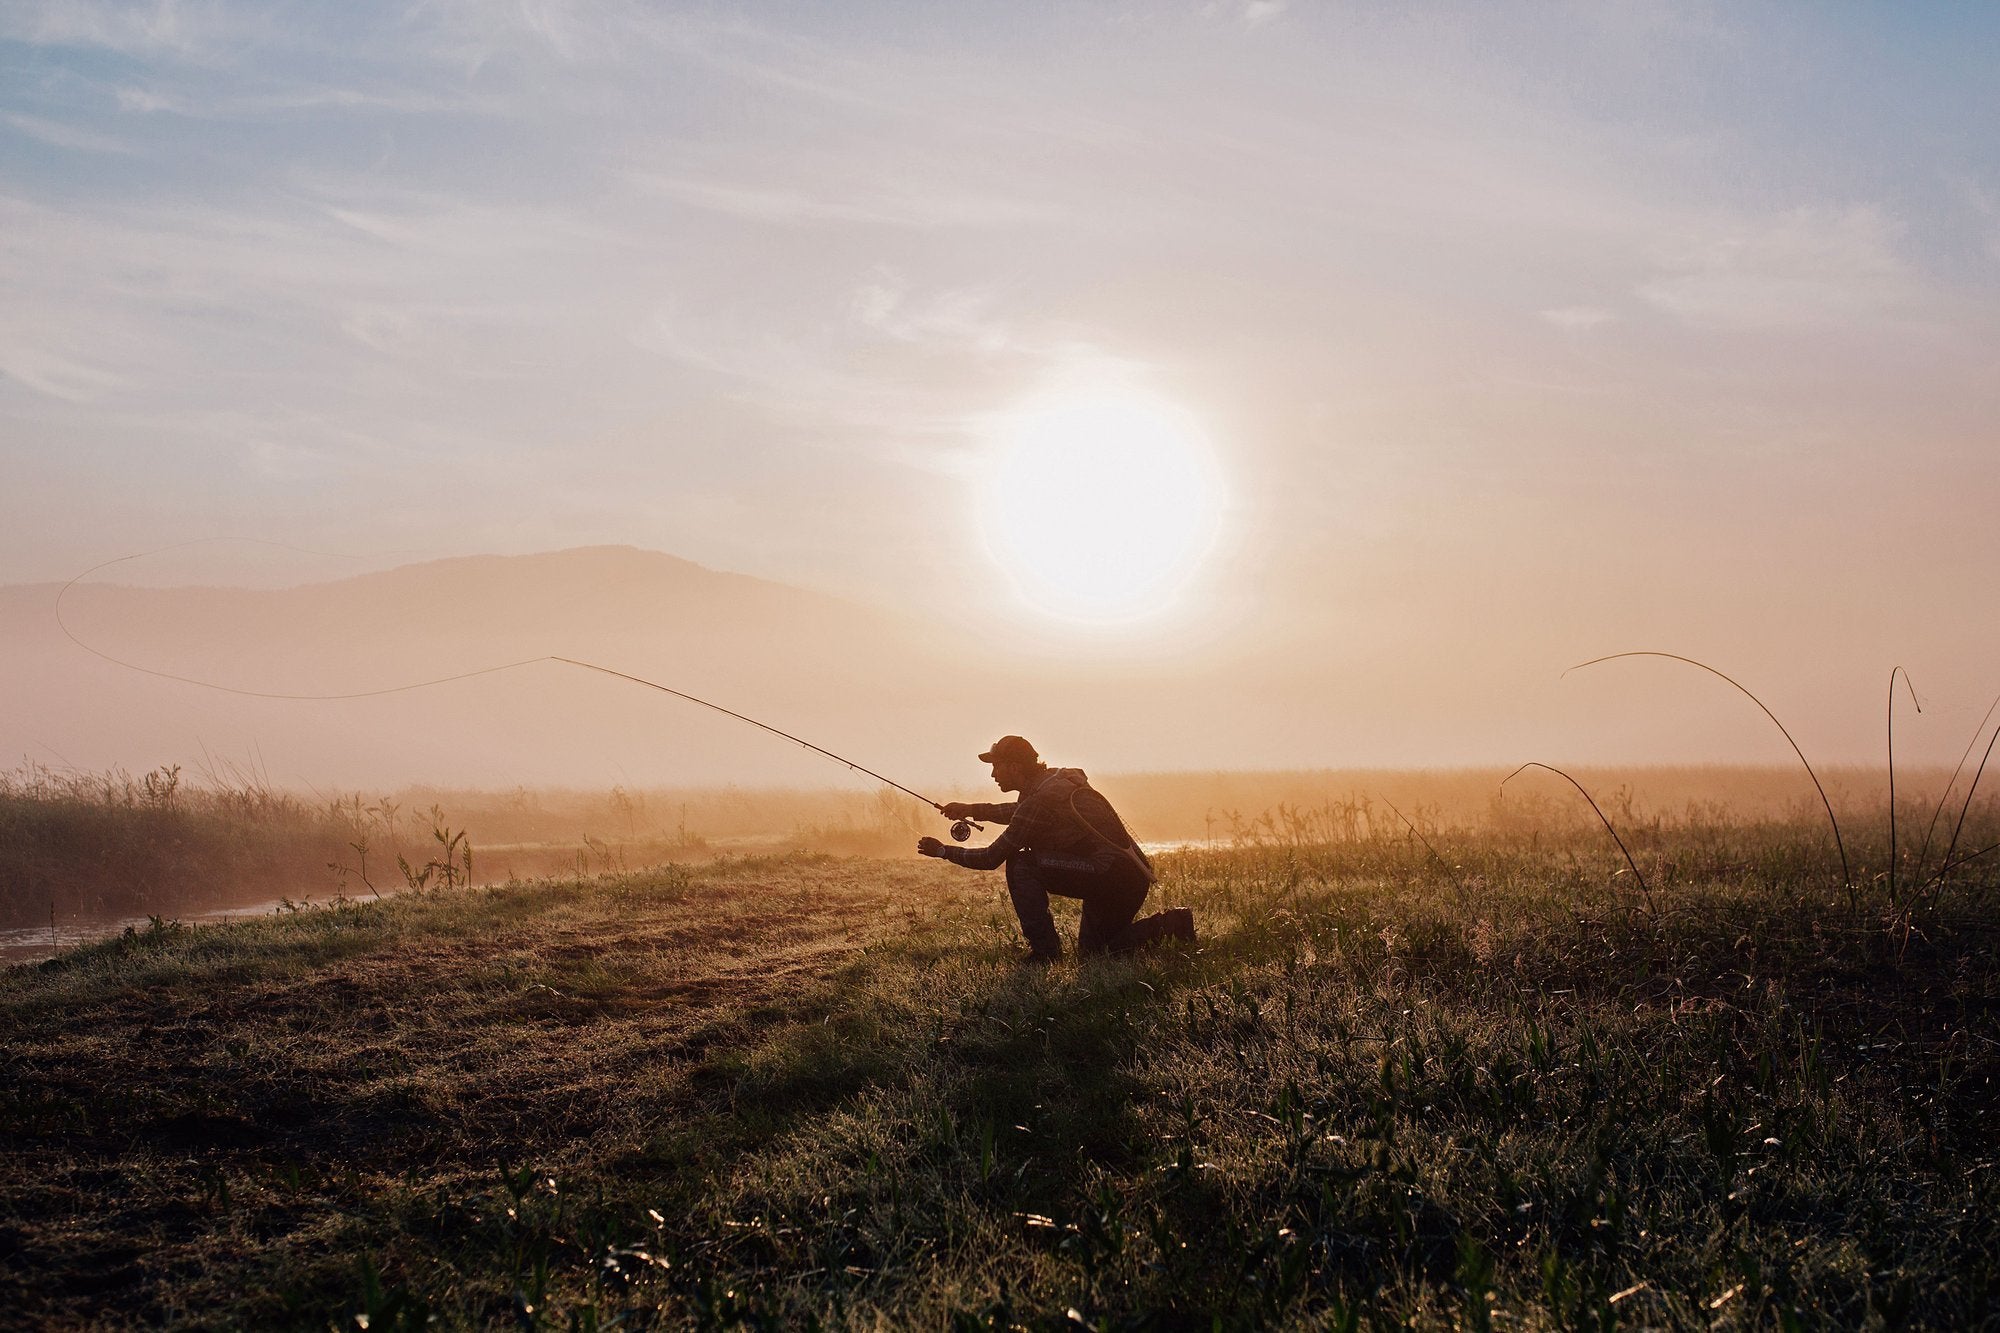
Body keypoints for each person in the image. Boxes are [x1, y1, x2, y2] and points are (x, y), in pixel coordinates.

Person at [918, 735, 1195, 962]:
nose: (993, 774)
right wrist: (971, 810)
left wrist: (943, 851)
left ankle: (1045, 953)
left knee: (1021, 863)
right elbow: (1018, 811)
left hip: (1112, 878)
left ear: (1015, 766)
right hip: (1125, 877)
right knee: (1096, 954)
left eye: (997, 765)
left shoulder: (1040, 799)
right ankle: (1173, 924)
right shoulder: (1050, 784)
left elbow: (991, 857)